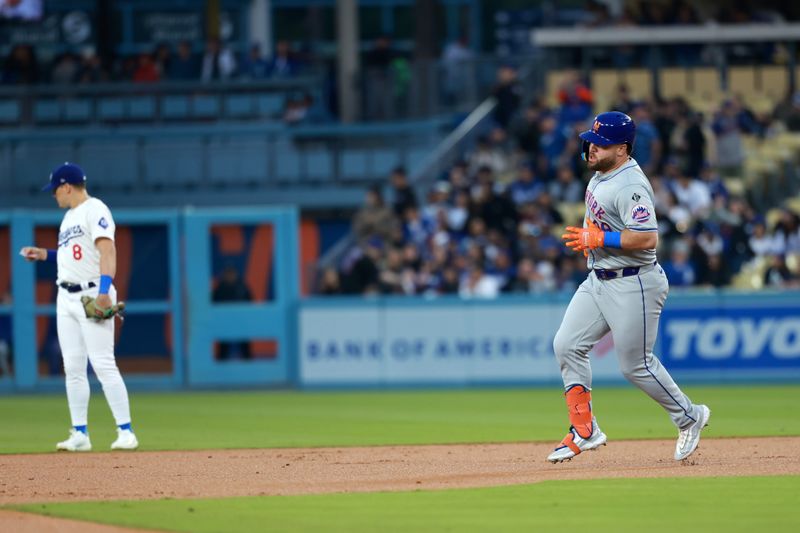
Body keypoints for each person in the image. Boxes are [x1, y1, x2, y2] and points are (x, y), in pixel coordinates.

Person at [548, 112, 709, 464]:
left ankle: (689, 416)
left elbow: (648, 236)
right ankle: (584, 428)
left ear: (621, 149)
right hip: (599, 279)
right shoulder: (600, 175)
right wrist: (595, 239)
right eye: (591, 139)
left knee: (636, 365)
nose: (591, 147)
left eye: (601, 143)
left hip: (634, 281)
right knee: (566, 344)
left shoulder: (629, 184)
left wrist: (599, 236)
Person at [20, 162, 138, 452]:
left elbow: (107, 250)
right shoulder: (70, 217)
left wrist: (103, 290)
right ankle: (80, 433)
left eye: (55, 190)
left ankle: (126, 431)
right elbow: (73, 255)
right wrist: (44, 255)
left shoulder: (95, 208)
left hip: (91, 293)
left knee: (102, 363)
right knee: (72, 366)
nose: (54, 195)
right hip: (67, 296)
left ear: (67, 186)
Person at [212, 265, 253, 360]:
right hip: (224, 322)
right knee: (223, 345)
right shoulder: (219, 288)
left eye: (232, 273)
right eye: (227, 273)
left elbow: (250, 302)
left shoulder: (243, 287)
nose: (230, 276)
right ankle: (221, 367)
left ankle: (248, 364)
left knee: (244, 344)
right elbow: (214, 303)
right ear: (224, 275)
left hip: (241, 321)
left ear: (236, 274)